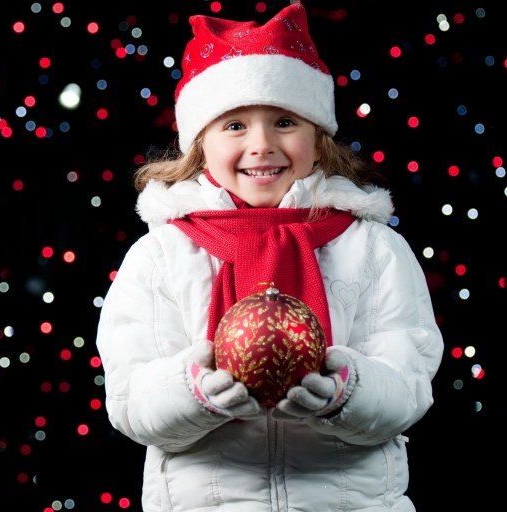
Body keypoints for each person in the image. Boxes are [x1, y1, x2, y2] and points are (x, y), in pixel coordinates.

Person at [95, 3, 444, 511]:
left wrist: (343, 390)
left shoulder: (374, 249)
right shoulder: (161, 256)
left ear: (319, 141)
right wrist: (199, 389)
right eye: (234, 126)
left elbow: (409, 388)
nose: (261, 144)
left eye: (284, 121)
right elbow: (132, 403)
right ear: (200, 146)